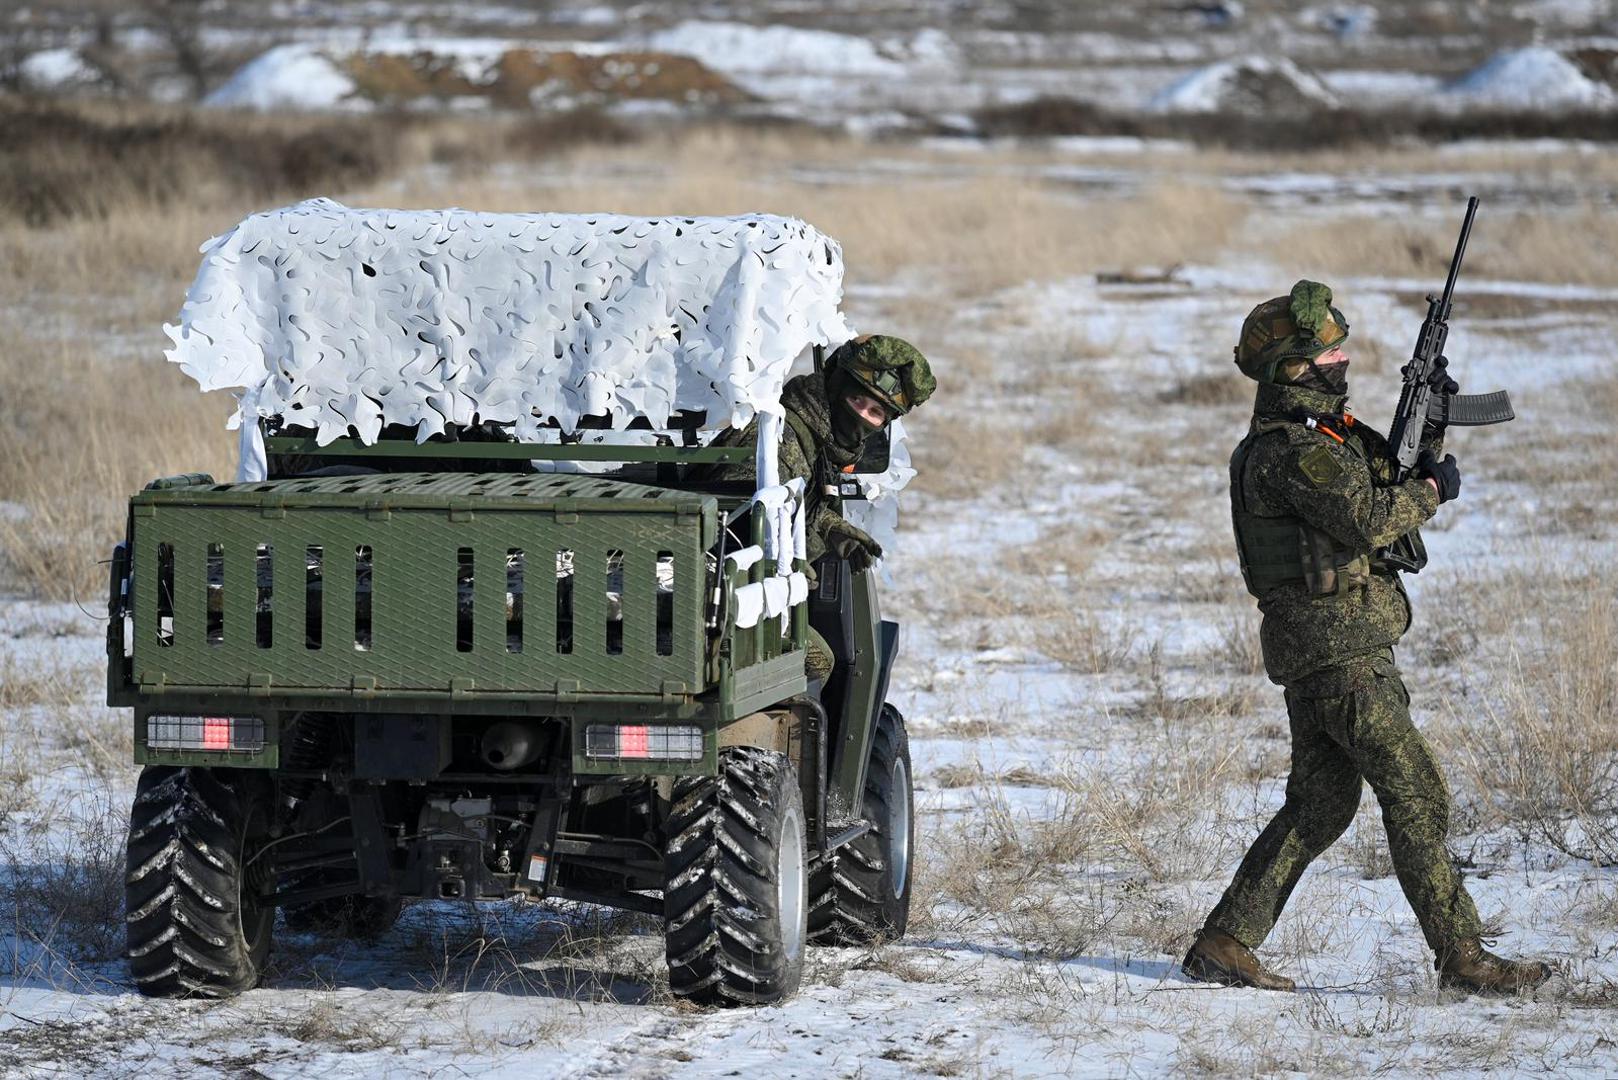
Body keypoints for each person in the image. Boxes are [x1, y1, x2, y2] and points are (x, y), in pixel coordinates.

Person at [1182, 280, 1551, 995]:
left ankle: (1226, 941)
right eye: (1328, 353)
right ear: (1293, 368)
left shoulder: (1326, 436)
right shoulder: (1290, 452)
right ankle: (1462, 957)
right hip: (1339, 654)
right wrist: (1432, 493)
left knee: (1320, 806)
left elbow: (1387, 478)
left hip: (1325, 650)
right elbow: (1369, 517)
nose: (1342, 360)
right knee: (1417, 790)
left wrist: (1431, 419)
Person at [704, 334, 935, 683]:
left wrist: (826, 525)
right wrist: (798, 568)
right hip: (720, 600)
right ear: (835, 387)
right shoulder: (778, 438)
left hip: (738, 593)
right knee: (819, 662)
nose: (862, 415)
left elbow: (790, 505)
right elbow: (739, 528)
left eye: (875, 412)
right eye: (857, 399)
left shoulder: (812, 435)